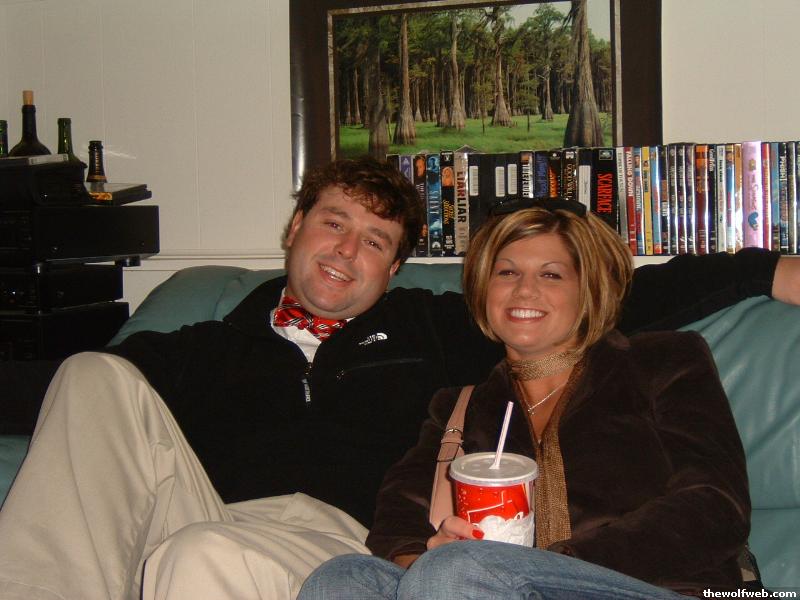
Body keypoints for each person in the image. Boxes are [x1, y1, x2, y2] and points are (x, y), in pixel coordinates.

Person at [0, 155, 797, 600]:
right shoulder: (203, 344)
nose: (347, 251)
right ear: (295, 228)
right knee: (92, 374)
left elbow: (601, 296)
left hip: (325, 532)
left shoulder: (436, 330)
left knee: (205, 558)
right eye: (333, 223)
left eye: (376, 241)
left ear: (396, 268)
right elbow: (64, 413)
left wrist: (766, 270)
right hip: (213, 511)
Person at [298, 201, 753, 600]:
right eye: (507, 272)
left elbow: (716, 506)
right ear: (484, 289)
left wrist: (554, 564)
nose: (524, 290)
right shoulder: (459, 408)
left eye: (550, 274)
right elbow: (397, 519)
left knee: (459, 569)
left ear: (588, 289)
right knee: (344, 577)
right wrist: (422, 556)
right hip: (485, 585)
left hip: (667, 588)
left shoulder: (663, 362)